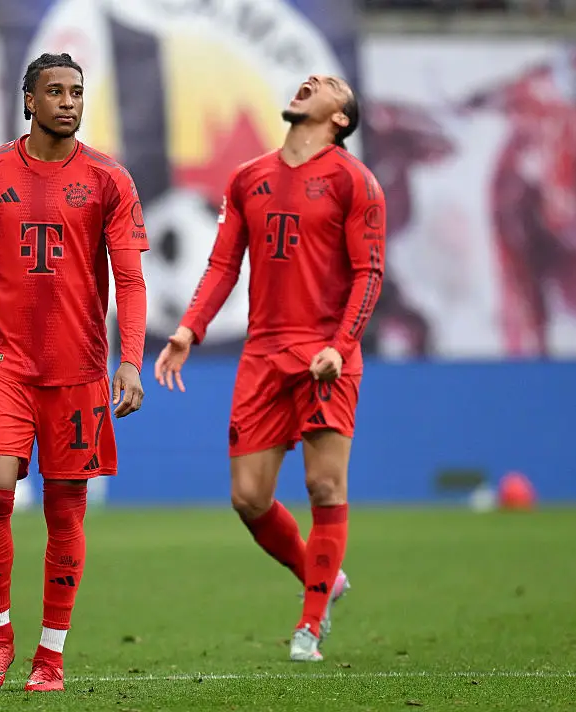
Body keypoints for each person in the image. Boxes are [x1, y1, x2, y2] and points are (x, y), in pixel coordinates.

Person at [0, 52, 148, 692]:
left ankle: (51, 655)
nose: (69, 102)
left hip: (77, 374)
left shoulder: (109, 179)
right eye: (55, 91)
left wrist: (130, 360)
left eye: (76, 92)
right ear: (28, 101)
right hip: (3, 368)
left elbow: (129, 277)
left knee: (65, 514)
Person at [154, 74, 385, 662]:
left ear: (340, 119)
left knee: (323, 484)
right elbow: (223, 264)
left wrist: (341, 343)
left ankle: (309, 626)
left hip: (326, 353)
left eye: (329, 84)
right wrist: (188, 329)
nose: (312, 81)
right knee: (248, 498)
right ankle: (322, 576)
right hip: (262, 353)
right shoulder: (248, 178)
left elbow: (369, 272)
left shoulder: (355, 183)